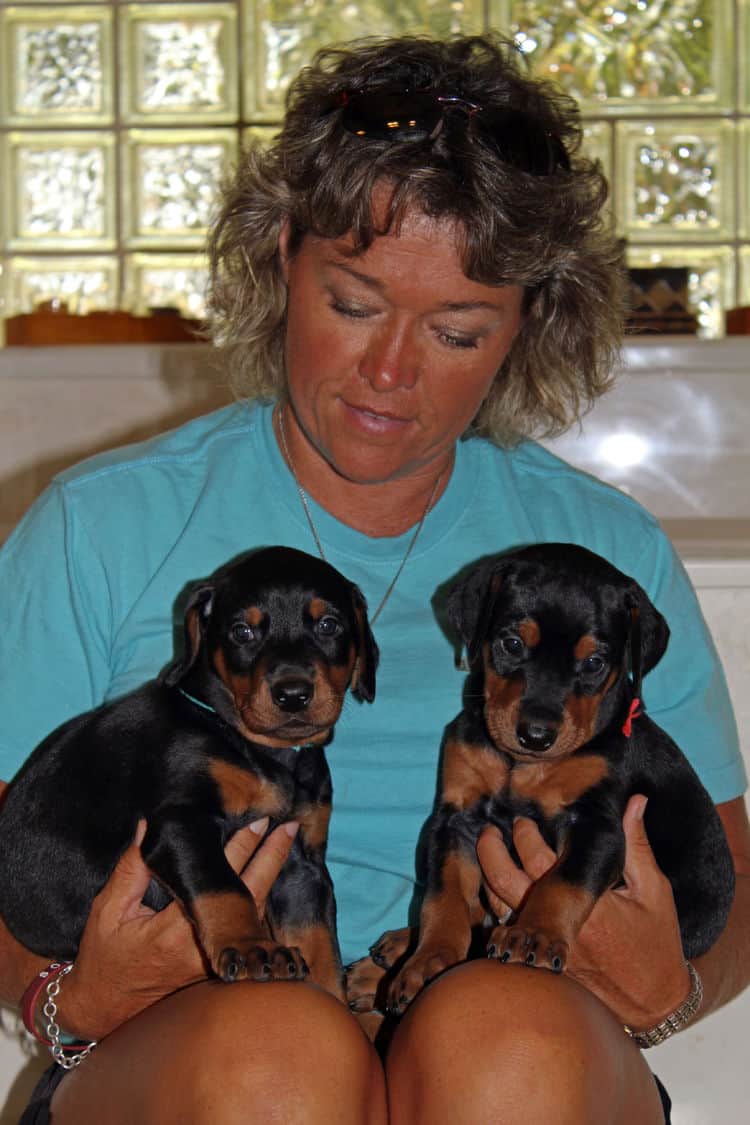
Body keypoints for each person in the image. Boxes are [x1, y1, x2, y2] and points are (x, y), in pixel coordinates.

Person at [0, 32, 748, 1125]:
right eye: (353, 304)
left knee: (509, 1045)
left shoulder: (599, 555)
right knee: (281, 1057)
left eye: (455, 329)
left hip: (521, 1053)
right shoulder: (102, 527)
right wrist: (65, 994)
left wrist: (673, 988)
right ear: (280, 261)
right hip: (191, 1060)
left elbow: (735, 871)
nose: (390, 373)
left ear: (526, 326)